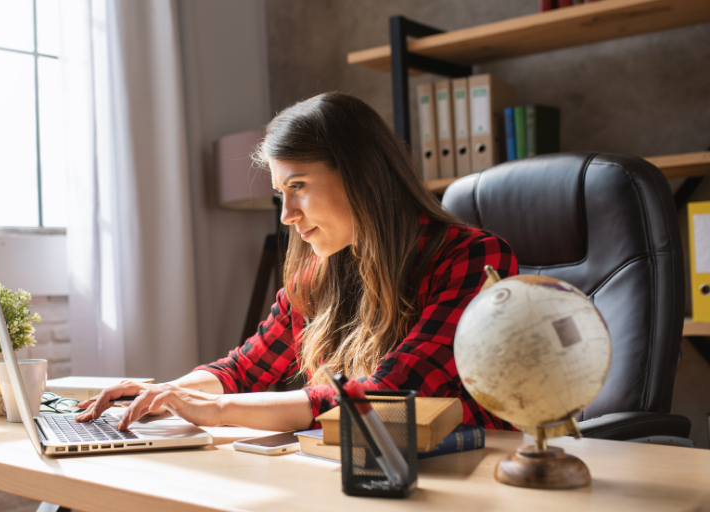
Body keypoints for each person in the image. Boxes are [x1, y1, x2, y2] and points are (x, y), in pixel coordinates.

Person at [75, 92, 518, 433]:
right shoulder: (320, 273)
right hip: (363, 471)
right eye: (280, 194)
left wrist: (218, 411)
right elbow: (245, 370)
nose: (287, 215)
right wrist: (164, 393)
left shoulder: (475, 259)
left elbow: (392, 399)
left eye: (299, 185)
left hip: (470, 479)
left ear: (363, 174)